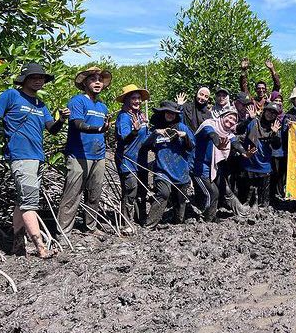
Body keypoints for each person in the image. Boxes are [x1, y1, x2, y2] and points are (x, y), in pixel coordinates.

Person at [0, 63, 69, 258]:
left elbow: (52, 130)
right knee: (30, 203)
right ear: (25, 80)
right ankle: (41, 247)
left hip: (37, 158)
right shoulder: (11, 95)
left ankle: (17, 245)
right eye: (34, 77)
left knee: (22, 202)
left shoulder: (40, 104)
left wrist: (62, 120)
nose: (39, 80)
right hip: (21, 157)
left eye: (41, 78)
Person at [58, 66, 112, 235]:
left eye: (100, 80)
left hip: (99, 155)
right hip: (78, 155)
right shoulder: (77, 101)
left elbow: (104, 129)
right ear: (84, 83)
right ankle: (63, 232)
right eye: (93, 79)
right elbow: (77, 123)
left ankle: (90, 227)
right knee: (72, 194)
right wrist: (97, 129)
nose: (97, 83)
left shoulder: (102, 107)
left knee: (95, 193)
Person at [144, 101, 195, 228]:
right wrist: (156, 133)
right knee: (163, 193)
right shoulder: (156, 128)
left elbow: (192, 147)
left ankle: (178, 223)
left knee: (180, 200)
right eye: (168, 112)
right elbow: (146, 145)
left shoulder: (182, 127)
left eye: (173, 113)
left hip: (180, 169)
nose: (170, 115)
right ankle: (150, 224)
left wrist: (184, 137)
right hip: (162, 169)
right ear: (163, 113)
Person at [191, 107, 247, 220]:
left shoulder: (227, 132)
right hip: (198, 166)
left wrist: (244, 153)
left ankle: (242, 212)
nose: (231, 121)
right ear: (222, 116)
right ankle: (208, 218)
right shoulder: (209, 124)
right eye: (229, 117)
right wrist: (218, 144)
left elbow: (235, 143)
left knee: (225, 188)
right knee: (213, 193)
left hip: (213, 164)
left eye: (234, 121)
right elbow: (212, 134)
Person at [114, 84, 151, 227]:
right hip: (127, 160)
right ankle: (126, 223)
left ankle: (141, 218)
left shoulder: (140, 115)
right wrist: (135, 131)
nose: (137, 101)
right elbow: (124, 138)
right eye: (133, 98)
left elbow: (146, 138)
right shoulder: (123, 117)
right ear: (126, 100)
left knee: (142, 191)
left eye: (139, 98)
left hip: (141, 160)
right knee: (130, 190)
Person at [233, 102, 282, 207]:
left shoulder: (275, 127)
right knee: (243, 199)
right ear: (264, 111)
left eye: (274, 113)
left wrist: (274, 134)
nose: (271, 114)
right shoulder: (254, 121)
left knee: (263, 203)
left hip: (264, 166)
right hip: (248, 164)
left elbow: (277, 146)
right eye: (269, 111)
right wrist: (249, 119)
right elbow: (239, 130)